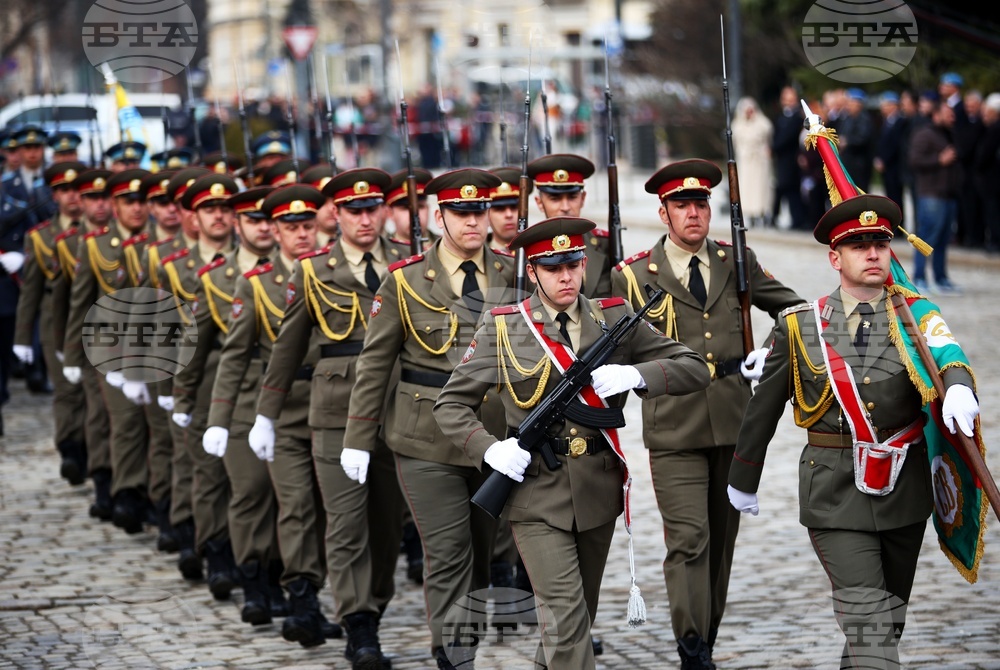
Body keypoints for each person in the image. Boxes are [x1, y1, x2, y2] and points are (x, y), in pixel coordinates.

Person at [434, 216, 711, 668]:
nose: (566, 276)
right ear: (534, 272)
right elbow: (450, 405)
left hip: (596, 492)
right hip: (536, 494)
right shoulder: (504, 327)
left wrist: (636, 374)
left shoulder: (615, 316)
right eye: (553, 267)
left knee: (575, 621)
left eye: (573, 264)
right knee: (565, 621)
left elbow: (694, 366)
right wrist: (488, 448)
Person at [727, 194, 981, 669]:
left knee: (886, 628)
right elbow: (763, 408)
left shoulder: (915, 316)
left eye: (880, 244)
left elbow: (948, 353)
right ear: (834, 258)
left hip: (903, 494)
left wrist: (962, 387)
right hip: (835, 495)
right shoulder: (803, 327)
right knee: (871, 631)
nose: (872, 254)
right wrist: (742, 479)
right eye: (858, 245)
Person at [611, 158, 804, 668]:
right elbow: (605, 342)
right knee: (689, 539)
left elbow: (795, 310)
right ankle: (691, 647)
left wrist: (768, 351)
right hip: (674, 423)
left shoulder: (734, 259)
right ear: (663, 212)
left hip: (733, 417)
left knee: (721, 543)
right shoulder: (632, 276)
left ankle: (708, 638)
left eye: (701, 203)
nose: (693, 213)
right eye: (682, 205)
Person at [342, 168, 516, 668]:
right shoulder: (406, 279)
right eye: (459, 213)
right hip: (424, 438)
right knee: (447, 549)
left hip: (493, 437)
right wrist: (358, 436)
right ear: (438, 217)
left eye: (478, 211)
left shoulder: (514, 273)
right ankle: (452, 652)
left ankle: (465, 638)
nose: (471, 222)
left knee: (482, 556)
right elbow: (374, 364)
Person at [253, 171, 406, 665]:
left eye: (372, 209)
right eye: (354, 211)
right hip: (335, 414)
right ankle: (359, 624)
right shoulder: (314, 270)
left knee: (387, 525)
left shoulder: (411, 262)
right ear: (334, 216)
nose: (365, 219)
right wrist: (266, 414)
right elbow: (287, 348)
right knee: (345, 525)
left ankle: (374, 604)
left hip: (398, 411)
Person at [13, 161, 89, 485]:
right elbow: (30, 290)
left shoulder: (100, 234)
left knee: (94, 393)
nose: (72, 197)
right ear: (54, 195)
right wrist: (20, 336)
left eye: (77, 190)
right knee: (66, 390)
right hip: (55, 321)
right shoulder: (41, 237)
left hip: (94, 319)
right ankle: (71, 448)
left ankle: (95, 450)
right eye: (64, 191)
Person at [526, 154, 612, 297]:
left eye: (572, 197)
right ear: (539, 203)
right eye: (555, 199)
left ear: (583, 198)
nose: (565, 207)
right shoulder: (527, 252)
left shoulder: (605, 244)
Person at [908, 100, 961, 294]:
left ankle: (941, 278)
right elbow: (915, 160)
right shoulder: (924, 134)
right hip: (931, 195)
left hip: (948, 195)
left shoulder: (948, 135)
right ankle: (919, 277)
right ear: (937, 115)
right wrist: (939, 160)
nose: (952, 117)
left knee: (943, 239)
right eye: (949, 114)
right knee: (926, 238)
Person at [730, 97, 773, 228]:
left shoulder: (762, 123)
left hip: (759, 161)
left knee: (761, 188)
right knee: (747, 188)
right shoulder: (737, 125)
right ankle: (751, 214)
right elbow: (737, 142)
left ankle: (763, 213)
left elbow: (767, 135)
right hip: (746, 161)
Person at [771, 86, 807, 230]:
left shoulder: (798, 117)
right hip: (782, 159)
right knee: (783, 188)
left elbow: (788, 136)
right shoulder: (781, 117)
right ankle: (779, 217)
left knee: (793, 190)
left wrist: (774, 147)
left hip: (792, 158)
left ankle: (797, 219)